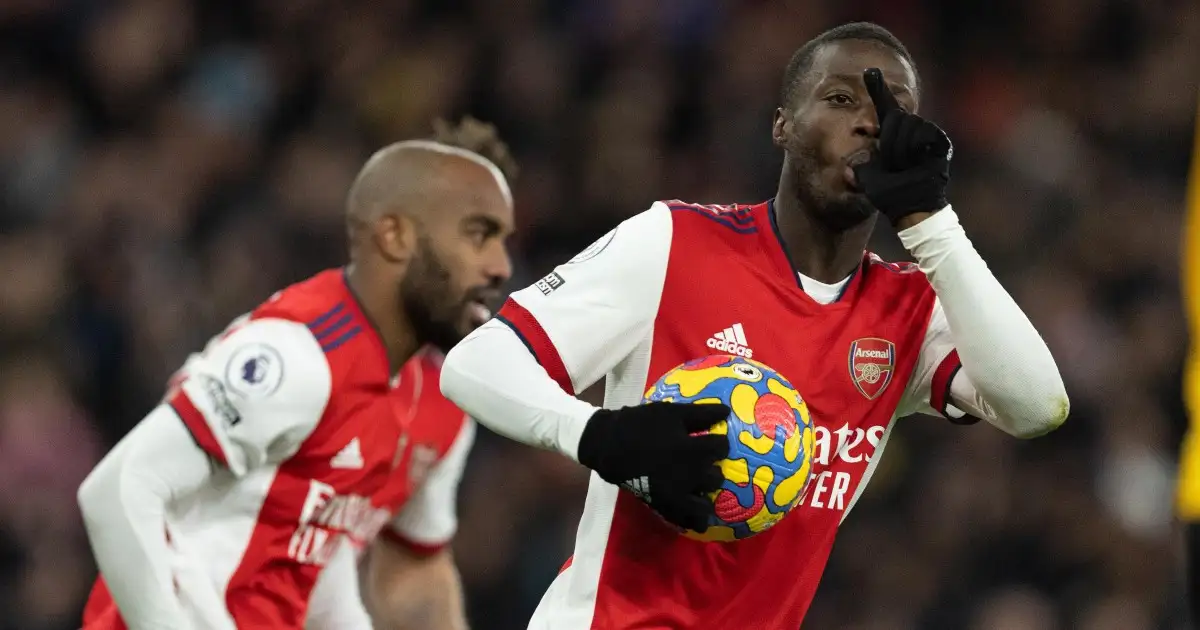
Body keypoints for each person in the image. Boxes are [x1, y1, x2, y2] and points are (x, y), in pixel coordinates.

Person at [439, 22, 1069, 630]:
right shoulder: (675, 243)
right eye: (840, 98)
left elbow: (1036, 406)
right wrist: (598, 434)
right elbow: (475, 363)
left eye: (891, 109)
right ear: (783, 125)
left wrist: (931, 222)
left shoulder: (909, 309)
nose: (868, 120)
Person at [77, 117, 516, 629]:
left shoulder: (441, 400)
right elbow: (115, 492)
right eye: (478, 235)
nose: (501, 266)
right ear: (396, 235)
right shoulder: (298, 356)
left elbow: (326, 563)